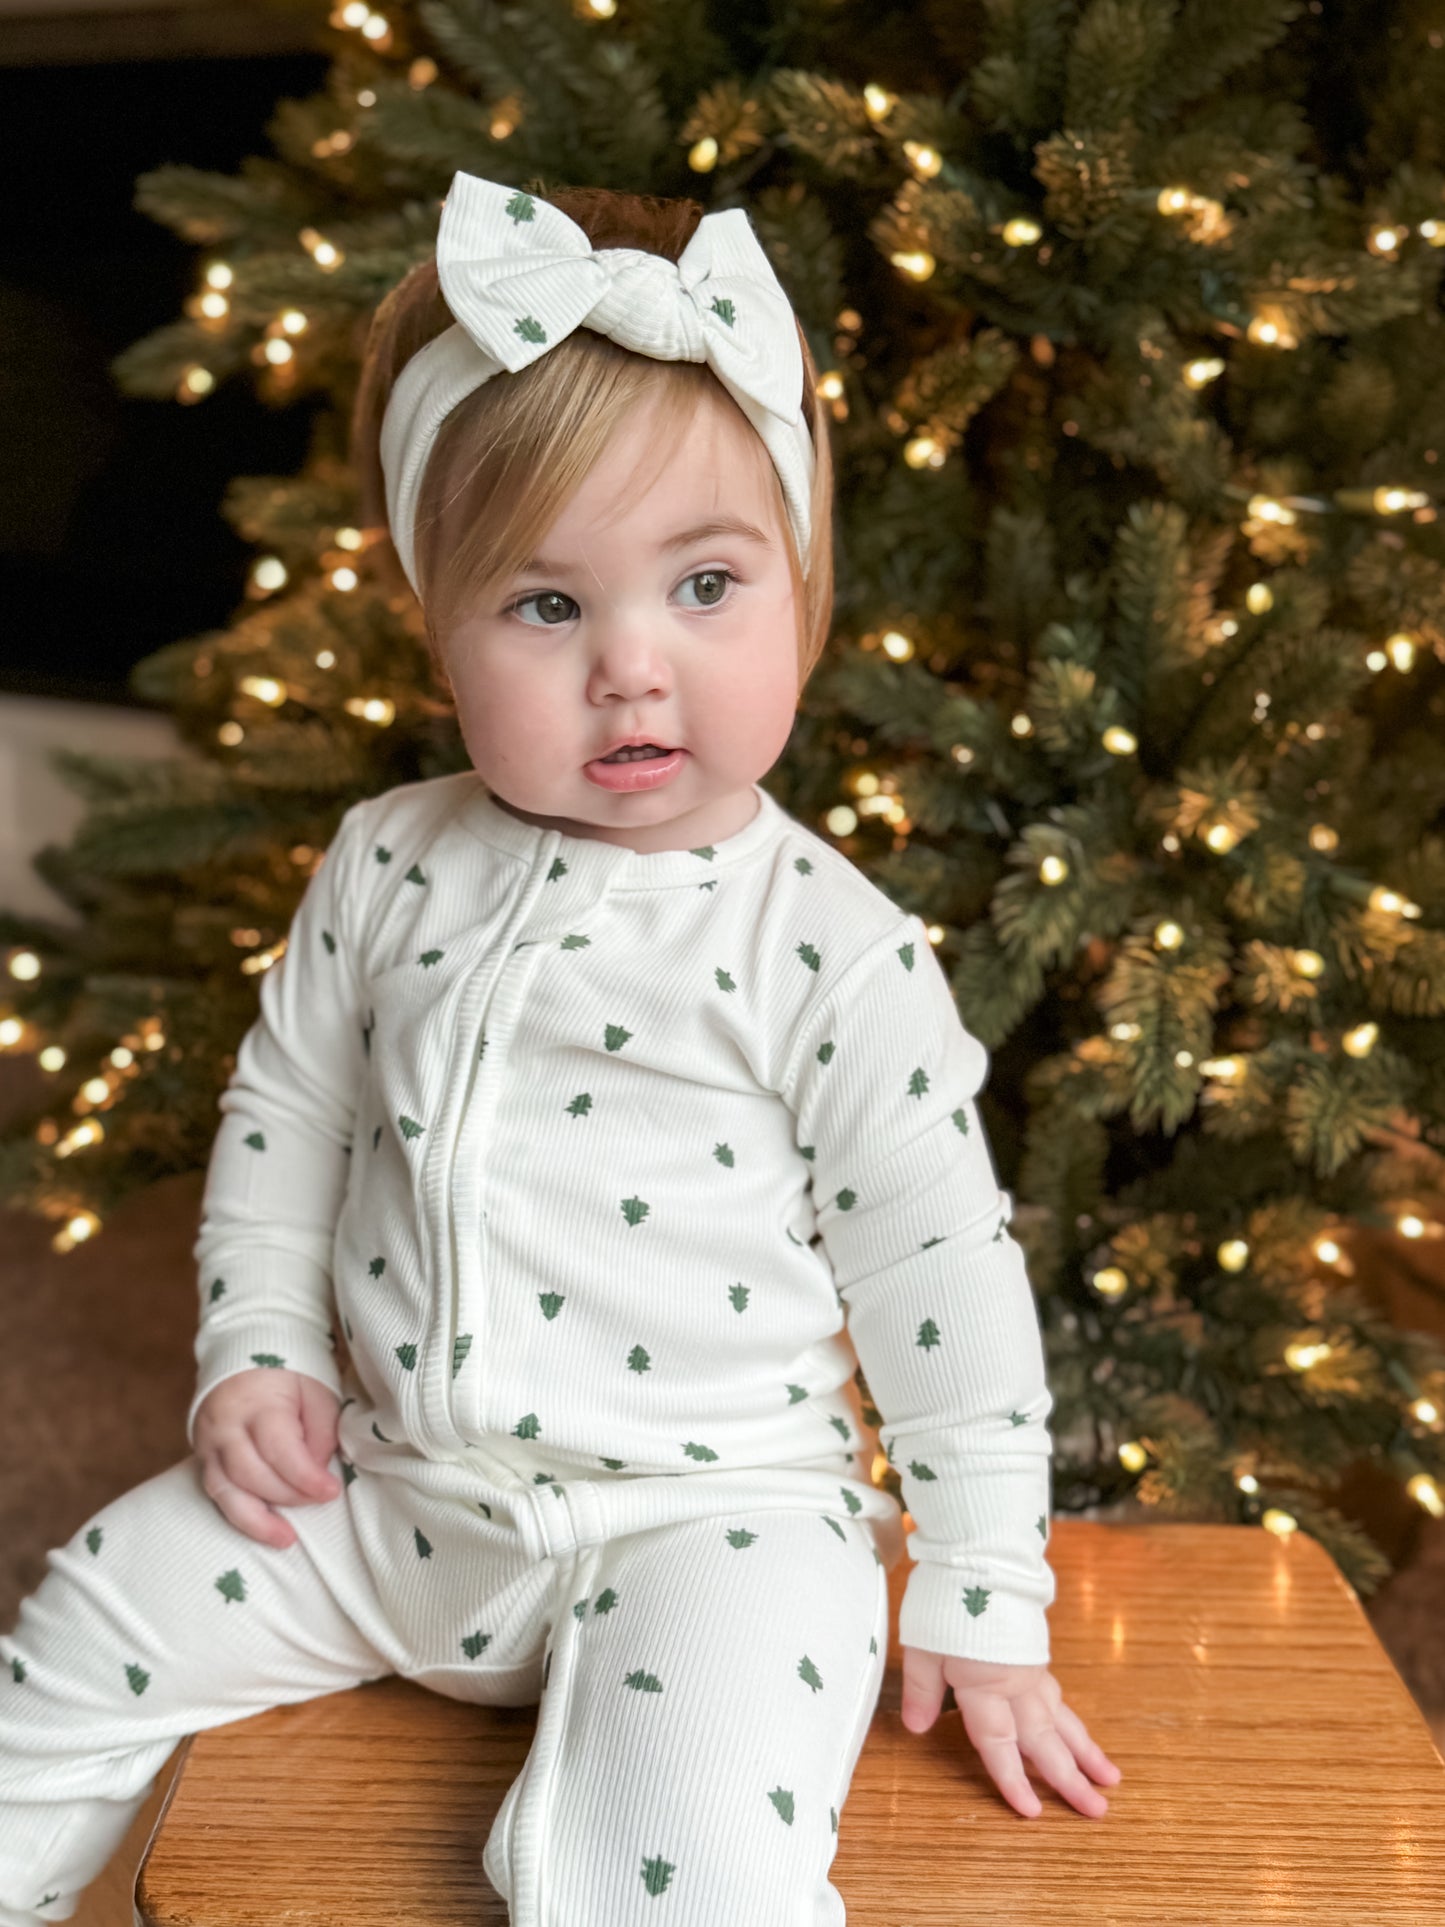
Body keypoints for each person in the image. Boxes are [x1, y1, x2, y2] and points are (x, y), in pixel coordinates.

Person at [0, 170, 1119, 1927]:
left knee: (672, 1859)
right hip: (383, 1496)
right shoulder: (385, 858)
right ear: (435, 623)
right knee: (76, 1636)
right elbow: (288, 1117)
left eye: (705, 584)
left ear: (804, 585)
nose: (629, 669)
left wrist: (982, 1589)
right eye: (544, 606)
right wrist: (256, 1352)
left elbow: (940, 1275)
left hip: (712, 1527)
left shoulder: (828, 947)